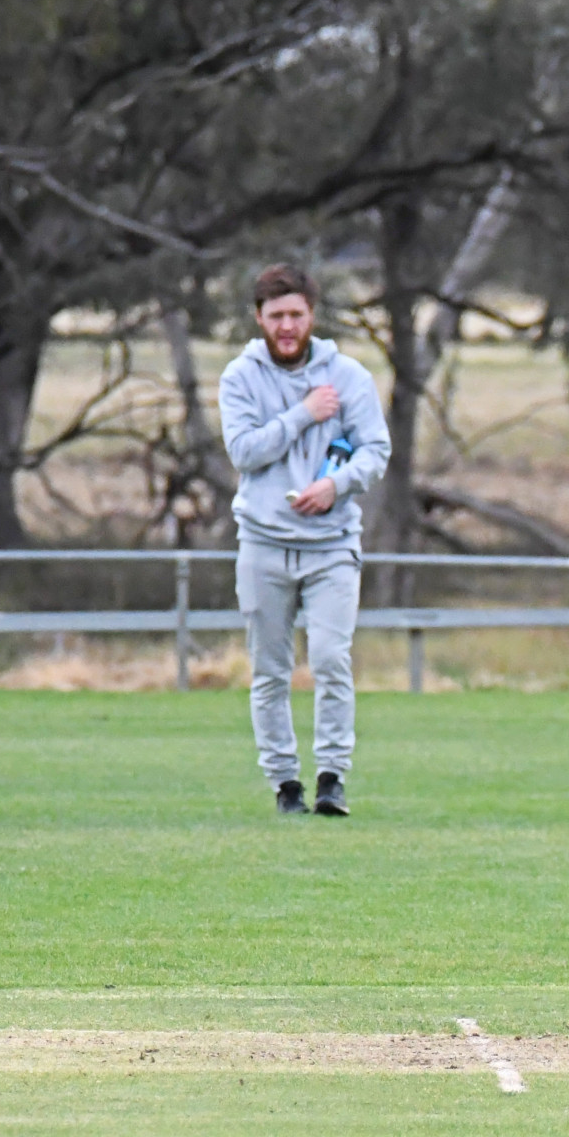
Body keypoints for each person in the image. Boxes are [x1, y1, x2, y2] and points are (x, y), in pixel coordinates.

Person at [219, 264, 390, 816]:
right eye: (276, 316)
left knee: (330, 659)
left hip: (331, 544)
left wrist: (335, 485)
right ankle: (285, 784)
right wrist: (303, 414)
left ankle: (332, 778)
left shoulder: (349, 376)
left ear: (312, 315)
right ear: (259, 319)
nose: (287, 326)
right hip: (264, 543)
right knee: (269, 670)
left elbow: (374, 450)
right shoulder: (240, 379)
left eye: (296, 315)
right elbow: (244, 451)